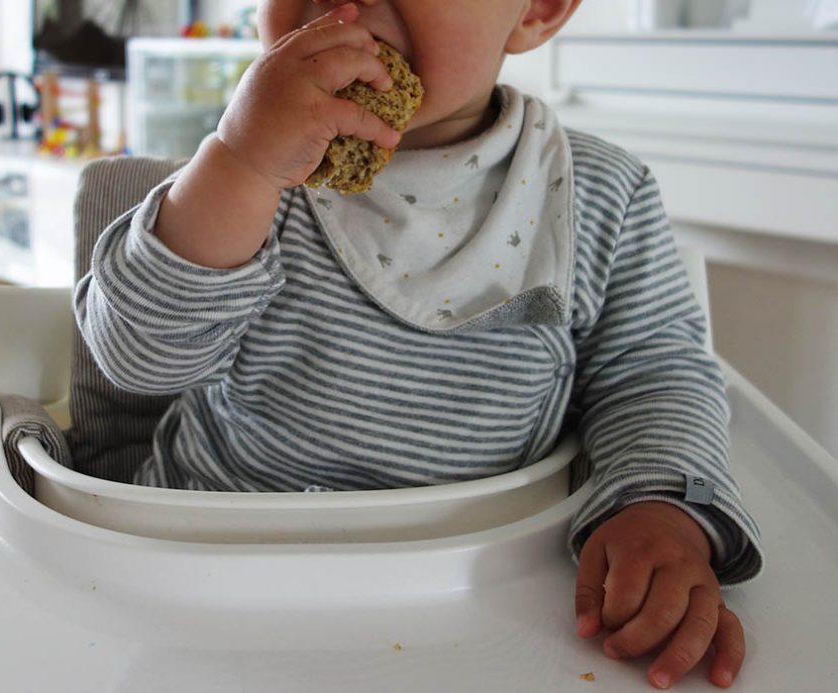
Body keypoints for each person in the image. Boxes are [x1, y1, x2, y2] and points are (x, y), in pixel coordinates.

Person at [75, 0, 762, 688]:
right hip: (208, 575)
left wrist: (663, 507)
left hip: (477, 600)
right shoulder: (256, 167)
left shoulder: (601, 197)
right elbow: (140, 359)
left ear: (539, 11)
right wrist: (238, 163)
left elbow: (655, 377)